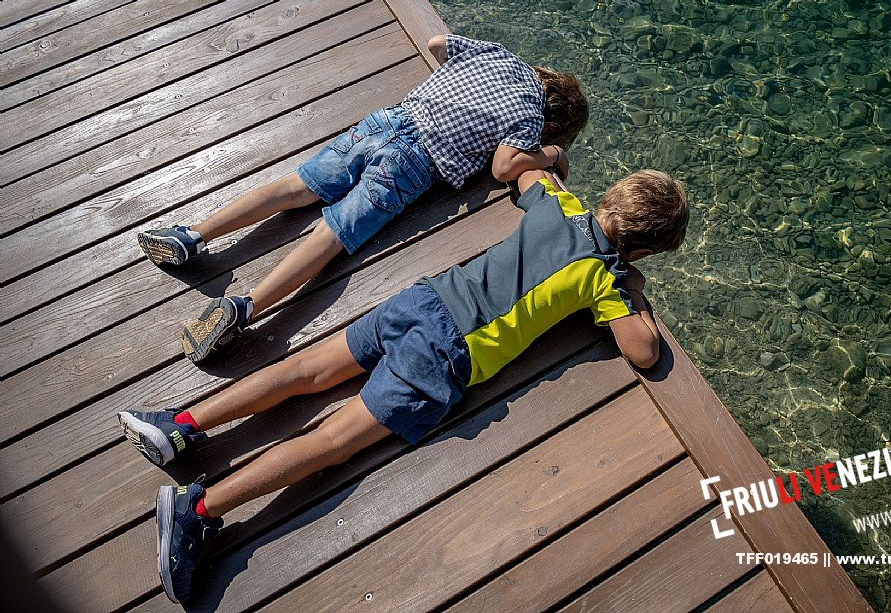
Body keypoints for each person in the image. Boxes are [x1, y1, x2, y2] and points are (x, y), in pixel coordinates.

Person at [118, 166, 689, 603]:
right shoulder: (604, 278)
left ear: (613, 198)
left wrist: (554, 157)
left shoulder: (559, 204)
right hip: (445, 355)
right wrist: (632, 289)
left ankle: (182, 424)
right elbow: (643, 351)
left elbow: (516, 166)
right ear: (642, 248)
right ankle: (199, 509)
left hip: (423, 301)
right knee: (332, 443)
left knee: (304, 372)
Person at [137, 34, 587, 362]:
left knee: (294, 187)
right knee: (331, 235)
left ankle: (191, 235)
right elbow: (505, 168)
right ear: (553, 119)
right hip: (413, 165)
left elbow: (435, 44)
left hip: (388, 121)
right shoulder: (529, 116)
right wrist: (553, 154)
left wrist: (456, 99)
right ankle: (243, 307)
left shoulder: (496, 53)